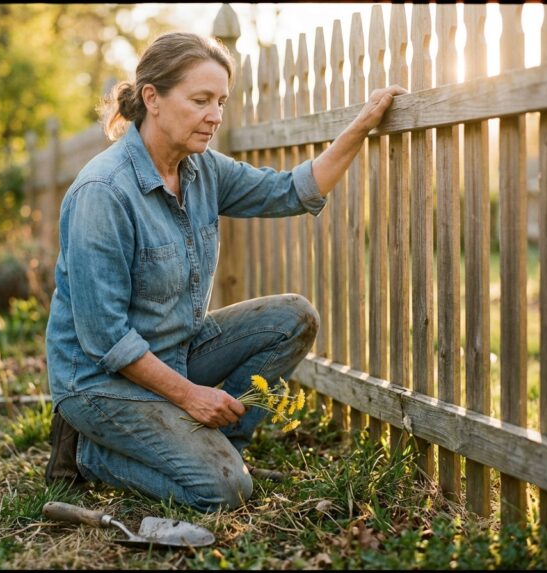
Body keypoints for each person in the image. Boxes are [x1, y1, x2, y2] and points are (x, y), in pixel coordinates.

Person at [44, 31, 406, 513]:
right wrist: (191, 396)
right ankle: (92, 455)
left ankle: (216, 448)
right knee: (225, 491)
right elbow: (106, 339)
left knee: (293, 317)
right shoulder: (103, 193)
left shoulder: (202, 169)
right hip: (99, 384)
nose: (215, 115)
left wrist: (361, 126)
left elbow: (292, 191)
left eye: (220, 101)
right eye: (200, 100)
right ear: (152, 98)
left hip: (175, 351)